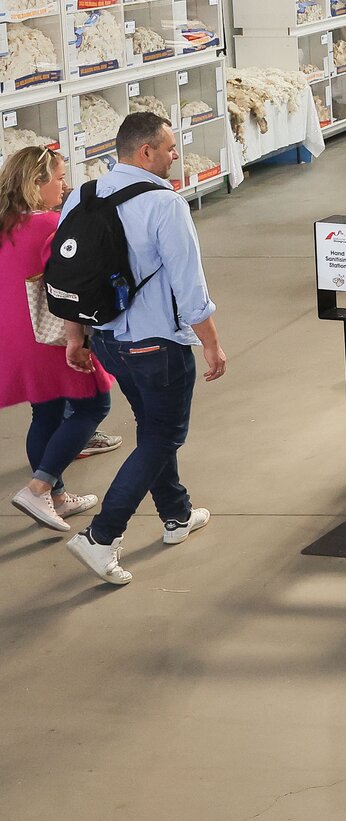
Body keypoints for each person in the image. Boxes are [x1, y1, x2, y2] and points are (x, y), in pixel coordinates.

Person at [60, 114, 226, 587]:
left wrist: (76, 334)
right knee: (162, 435)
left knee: (153, 427)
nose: (176, 155)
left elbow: (74, 276)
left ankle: (176, 514)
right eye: (170, 148)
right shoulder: (164, 204)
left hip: (109, 342)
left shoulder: (83, 195)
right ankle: (100, 537)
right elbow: (189, 286)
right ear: (145, 152)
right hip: (158, 345)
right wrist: (210, 344)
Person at [3, 148, 113, 533]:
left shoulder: (5, 225)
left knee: (45, 414)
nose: (64, 185)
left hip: (16, 337)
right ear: (36, 184)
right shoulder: (53, 225)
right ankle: (41, 486)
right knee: (93, 404)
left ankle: (59, 497)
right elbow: (69, 286)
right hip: (52, 337)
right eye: (59, 178)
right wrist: (78, 340)